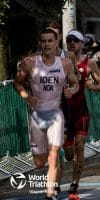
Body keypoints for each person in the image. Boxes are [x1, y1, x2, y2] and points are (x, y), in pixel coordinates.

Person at [13, 28, 79, 200]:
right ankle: (50, 174)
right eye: (44, 41)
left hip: (56, 115)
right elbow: (16, 82)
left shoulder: (65, 64)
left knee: (54, 153)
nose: (47, 44)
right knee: (39, 162)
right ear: (40, 43)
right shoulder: (30, 63)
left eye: (50, 41)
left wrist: (72, 89)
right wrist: (26, 96)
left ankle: (50, 193)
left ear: (56, 42)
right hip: (36, 117)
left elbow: (75, 82)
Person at [64, 29, 100, 198]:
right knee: (68, 153)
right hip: (64, 113)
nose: (72, 43)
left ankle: (74, 186)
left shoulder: (90, 63)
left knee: (79, 146)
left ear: (82, 44)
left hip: (81, 112)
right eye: (69, 40)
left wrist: (93, 86)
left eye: (75, 40)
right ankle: (70, 160)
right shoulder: (60, 62)